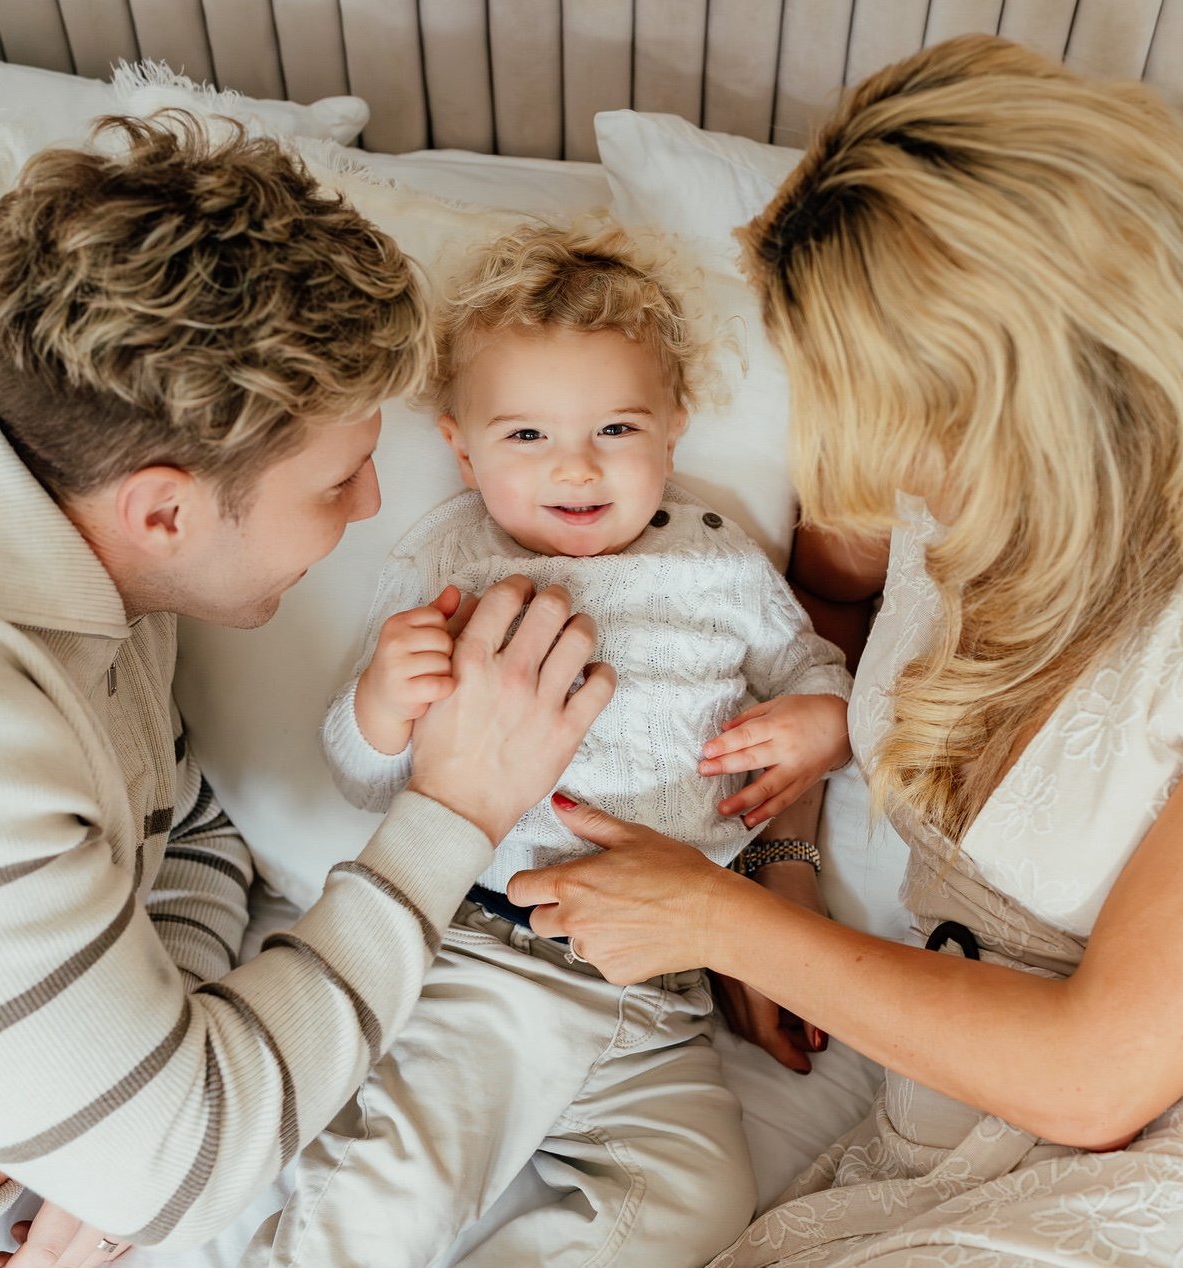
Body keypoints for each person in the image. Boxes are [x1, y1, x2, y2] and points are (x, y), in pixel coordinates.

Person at [0, 112, 614, 1266]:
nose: (375, 503)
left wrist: (117, 1100)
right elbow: (187, 1166)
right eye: (339, 477)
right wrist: (455, 810)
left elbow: (189, 823)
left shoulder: (46, 514)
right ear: (166, 510)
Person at [508, 35, 1183, 1266]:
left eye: (898, 424)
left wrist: (724, 923)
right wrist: (778, 849)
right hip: (958, 1099)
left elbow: (1099, 1076)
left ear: (1031, 395)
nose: (876, 474)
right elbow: (821, 621)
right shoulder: (941, 448)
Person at [243, 225, 852, 1267]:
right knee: (402, 1176)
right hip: (495, 954)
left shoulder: (717, 559)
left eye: (616, 426)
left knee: (701, 1194)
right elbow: (363, 772)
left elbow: (808, 663)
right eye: (525, 436)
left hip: (665, 994)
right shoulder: (450, 563)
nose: (576, 465)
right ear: (460, 444)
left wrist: (822, 725)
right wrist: (385, 701)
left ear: (673, 427)